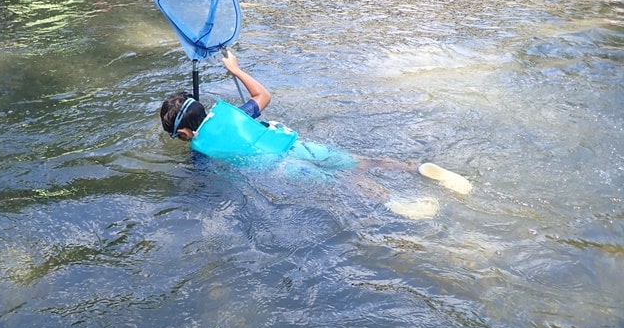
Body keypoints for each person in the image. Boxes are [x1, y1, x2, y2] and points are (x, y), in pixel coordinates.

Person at [160, 51, 473, 220]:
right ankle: (415, 168)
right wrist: (236, 70)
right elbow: (263, 95)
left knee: (343, 182)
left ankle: (396, 201)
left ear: (184, 132)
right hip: (297, 145)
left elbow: (203, 182)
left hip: (282, 168)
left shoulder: (199, 151)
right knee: (360, 162)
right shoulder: (236, 113)